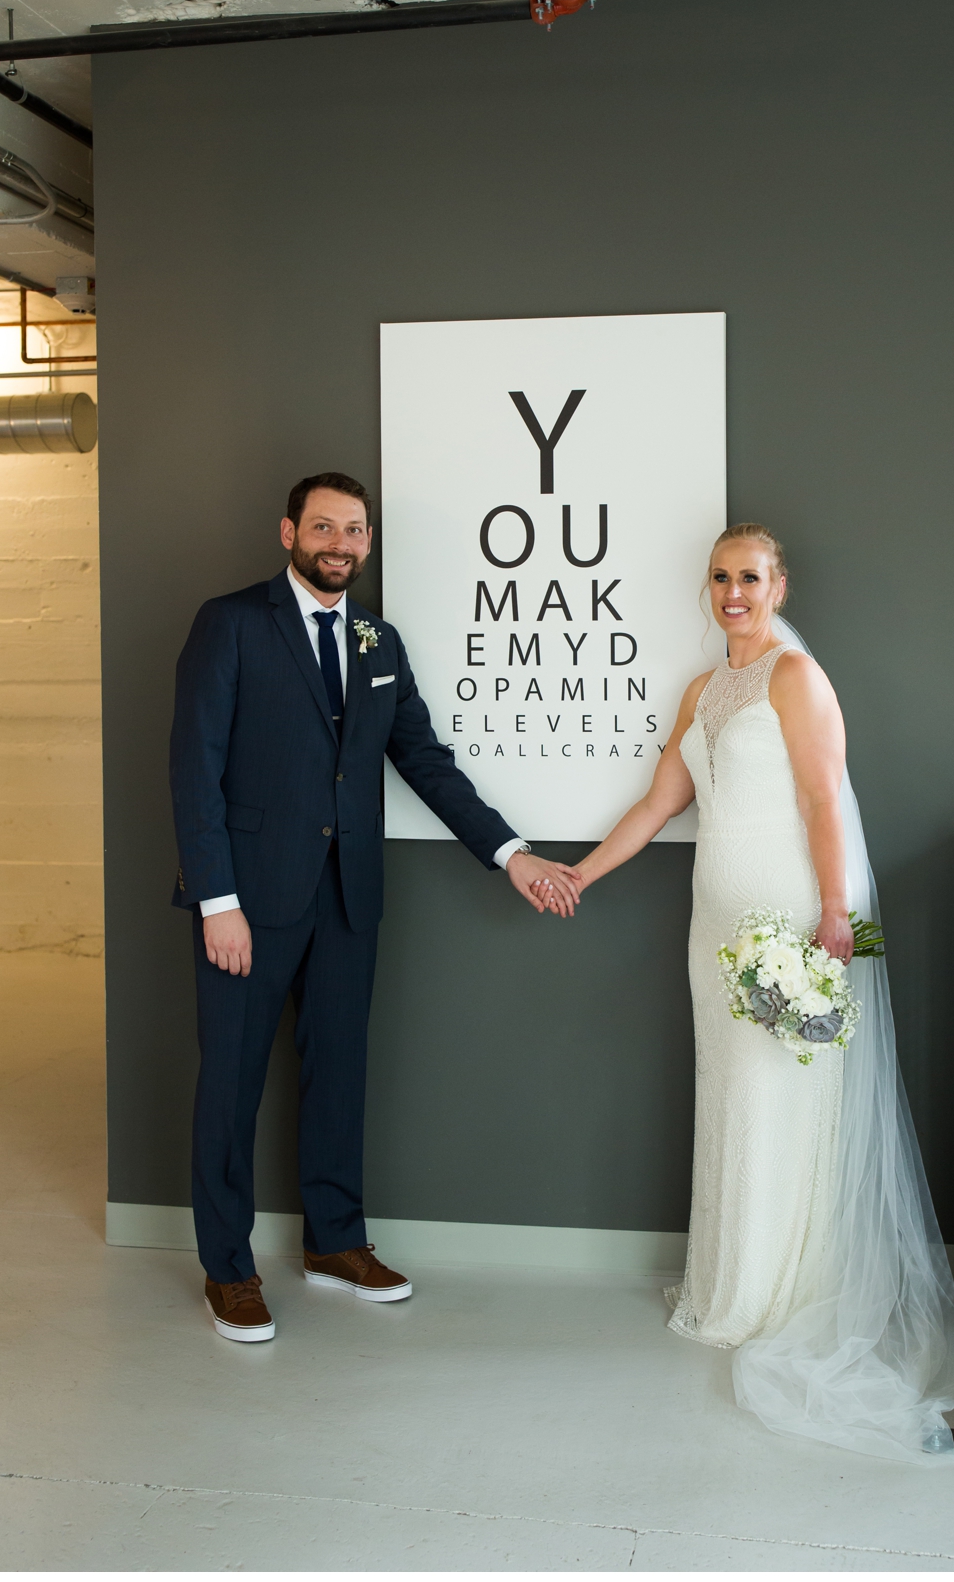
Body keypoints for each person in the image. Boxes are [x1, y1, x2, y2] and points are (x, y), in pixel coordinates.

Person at [562, 524, 954, 1464]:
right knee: (732, 1096)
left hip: (789, 915)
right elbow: (661, 802)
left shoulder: (796, 678)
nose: (734, 592)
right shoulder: (703, 690)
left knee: (780, 1097)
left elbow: (827, 799)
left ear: (779, 585)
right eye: (720, 578)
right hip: (716, 925)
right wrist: (583, 876)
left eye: (750, 577)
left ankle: (787, 1293)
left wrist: (836, 913)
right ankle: (730, 1285)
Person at [169, 473, 583, 1344]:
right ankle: (229, 1269)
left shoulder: (376, 637)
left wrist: (509, 853)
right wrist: (217, 899)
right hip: (246, 900)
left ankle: (335, 1243)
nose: (341, 543)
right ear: (288, 532)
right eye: (324, 527)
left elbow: (424, 760)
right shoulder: (232, 622)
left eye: (355, 531)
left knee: (339, 1076)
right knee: (231, 1087)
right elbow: (193, 769)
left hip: (350, 897)